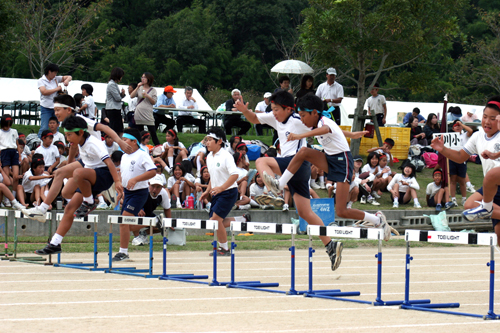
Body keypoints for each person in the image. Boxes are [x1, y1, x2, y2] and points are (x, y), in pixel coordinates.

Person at [234, 91, 371, 271]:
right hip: (294, 170)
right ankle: (331, 245)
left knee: (260, 161)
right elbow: (254, 118)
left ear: (288, 109)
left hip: (294, 163)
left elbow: (327, 128)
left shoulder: (299, 119)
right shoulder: (274, 118)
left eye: (276, 109)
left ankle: (273, 190)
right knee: (305, 213)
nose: (273, 113)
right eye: (272, 109)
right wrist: (244, 110)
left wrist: (350, 134)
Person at [259, 93, 391, 248]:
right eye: (299, 116)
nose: (301, 120)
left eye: (303, 116)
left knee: (341, 211)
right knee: (303, 152)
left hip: (342, 162)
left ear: (314, 113)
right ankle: (280, 184)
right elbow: (335, 131)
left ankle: (377, 219)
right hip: (329, 159)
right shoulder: (314, 124)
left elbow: (326, 129)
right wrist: (353, 134)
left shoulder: (324, 121)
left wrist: (300, 135)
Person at [22, 94, 133, 222]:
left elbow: (104, 127)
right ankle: (84, 203)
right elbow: (73, 147)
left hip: (98, 164)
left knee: (63, 174)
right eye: (54, 110)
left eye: (58, 110)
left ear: (68, 110)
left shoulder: (81, 120)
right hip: (86, 161)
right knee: (63, 185)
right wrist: (69, 164)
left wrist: (120, 141)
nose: (55, 113)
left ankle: (85, 202)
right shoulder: (68, 124)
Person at [34, 116, 123, 255]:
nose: (67, 138)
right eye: (66, 135)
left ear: (81, 132)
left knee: (77, 173)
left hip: (103, 175)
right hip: (87, 178)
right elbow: (73, 153)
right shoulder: (78, 142)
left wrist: (117, 181)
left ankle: (89, 201)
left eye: (69, 135)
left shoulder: (94, 143)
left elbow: (110, 163)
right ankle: (55, 243)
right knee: (67, 198)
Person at [437, 97, 500, 240]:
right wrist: (442, 149)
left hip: (494, 179)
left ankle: (487, 207)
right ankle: (487, 208)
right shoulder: (478, 136)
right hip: (492, 188)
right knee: (469, 205)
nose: (487, 122)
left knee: (491, 175)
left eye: (492, 118)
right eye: (484, 117)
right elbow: (460, 156)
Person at [199, 127, 250, 256]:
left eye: (210, 140)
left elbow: (235, 175)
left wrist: (221, 188)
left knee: (215, 220)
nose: (207, 142)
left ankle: (225, 249)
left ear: (219, 141)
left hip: (228, 192)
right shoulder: (209, 157)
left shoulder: (226, 156)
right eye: (207, 140)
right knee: (215, 221)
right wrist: (207, 191)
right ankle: (241, 220)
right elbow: (213, 177)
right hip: (216, 193)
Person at [112, 128, 157, 261]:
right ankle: (153, 223)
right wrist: (119, 185)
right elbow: (123, 173)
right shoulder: (124, 156)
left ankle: (123, 252)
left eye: (125, 140)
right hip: (128, 192)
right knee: (124, 223)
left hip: (139, 193)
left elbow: (153, 171)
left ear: (134, 141)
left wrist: (136, 179)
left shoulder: (142, 154)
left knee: (124, 220)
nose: (123, 142)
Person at [131, 175, 172, 246]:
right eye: (153, 186)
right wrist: (138, 209)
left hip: (150, 214)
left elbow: (167, 209)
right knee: (136, 216)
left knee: (164, 224)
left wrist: (170, 222)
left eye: (158, 187)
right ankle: (136, 238)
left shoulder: (163, 193)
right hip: (138, 213)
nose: (155, 190)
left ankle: (143, 234)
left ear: (162, 187)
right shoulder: (142, 191)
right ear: (149, 184)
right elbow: (130, 201)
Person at [37, 63, 72, 137]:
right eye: (54, 73)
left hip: (56, 107)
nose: (55, 75)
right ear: (49, 72)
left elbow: (69, 77)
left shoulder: (55, 79)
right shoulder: (41, 81)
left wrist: (67, 81)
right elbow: (44, 92)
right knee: (44, 127)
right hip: (46, 107)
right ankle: (39, 143)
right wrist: (57, 89)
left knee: (56, 127)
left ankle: (56, 142)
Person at [130, 72, 160, 146]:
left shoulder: (153, 90)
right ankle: (141, 146)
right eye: (142, 77)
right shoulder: (139, 88)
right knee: (140, 133)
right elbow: (131, 96)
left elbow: (154, 102)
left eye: (144, 77)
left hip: (148, 114)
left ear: (148, 79)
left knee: (153, 133)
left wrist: (147, 96)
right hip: (139, 113)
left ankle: (158, 147)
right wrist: (137, 87)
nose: (142, 79)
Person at [0, 114, 20, 199]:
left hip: (14, 152)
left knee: (16, 176)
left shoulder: (14, 131)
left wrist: (19, 156)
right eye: (5, 125)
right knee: (6, 177)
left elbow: (17, 144)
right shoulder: (0, 132)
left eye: (9, 125)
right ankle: (6, 198)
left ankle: (13, 197)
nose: (7, 127)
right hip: (4, 152)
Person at [105, 67, 126, 137]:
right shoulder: (112, 84)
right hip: (113, 108)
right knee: (116, 129)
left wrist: (122, 95)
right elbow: (117, 98)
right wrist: (121, 95)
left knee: (119, 129)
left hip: (115, 108)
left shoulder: (114, 84)